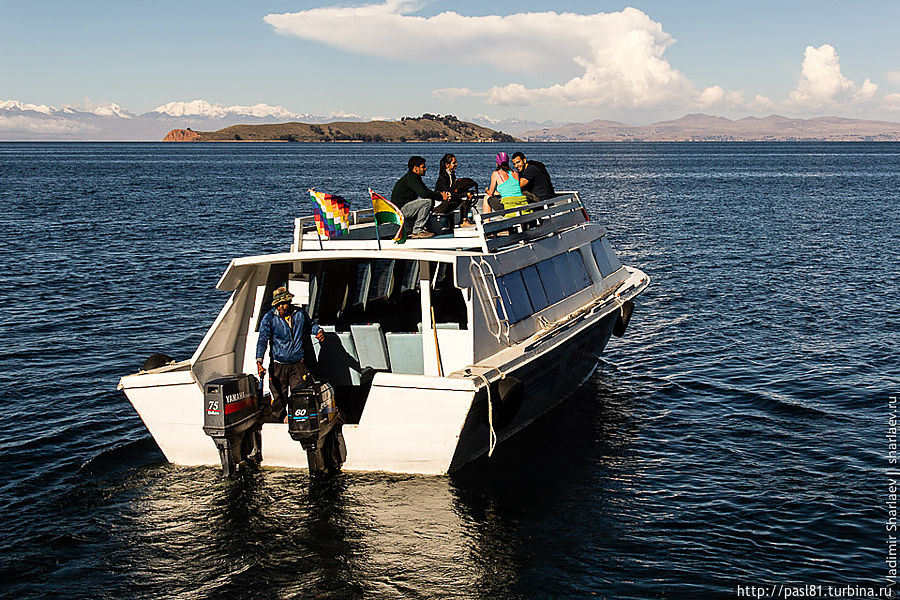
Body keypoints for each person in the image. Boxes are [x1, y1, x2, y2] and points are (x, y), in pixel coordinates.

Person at [256, 286, 326, 421]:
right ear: (276, 304)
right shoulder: (269, 318)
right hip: (278, 366)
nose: (283, 306)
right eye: (280, 303)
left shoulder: (300, 314)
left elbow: (311, 325)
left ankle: (299, 422)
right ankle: (277, 422)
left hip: (298, 365)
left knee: (299, 396)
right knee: (278, 399)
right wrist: (259, 362)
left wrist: (318, 331)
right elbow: (262, 340)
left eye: (286, 302)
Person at [390, 156, 451, 239]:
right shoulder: (411, 178)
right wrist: (441, 196)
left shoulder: (415, 177)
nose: (425, 169)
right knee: (427, 202)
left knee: (428, 201)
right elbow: (423, 193)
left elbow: (426, 191)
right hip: (400, 210)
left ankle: (421, 227)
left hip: (404, 208)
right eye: (423, 167)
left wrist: (440, 195)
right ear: (415, 168)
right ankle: (418, 230)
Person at [434, 153, 476, 227]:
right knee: (464, 198)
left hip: (447, 201)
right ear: (447, 165)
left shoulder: (452, 175)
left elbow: (454, 190)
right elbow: (448, 193)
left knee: (466, 196)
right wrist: (464, 195)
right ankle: (463, 221)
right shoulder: (443, 177)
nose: (456, 164)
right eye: (454, 163)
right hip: (440, 204)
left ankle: (464, 219)